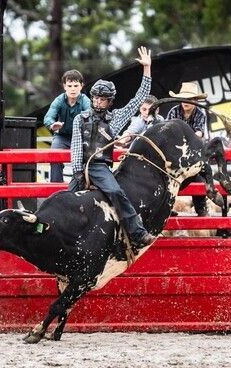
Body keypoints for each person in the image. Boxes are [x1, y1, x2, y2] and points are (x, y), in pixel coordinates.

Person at [69, 46, 156, 248]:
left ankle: (137, 232)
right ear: (92, 98)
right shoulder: (79, 119)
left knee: (116, 192)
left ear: (110, 101)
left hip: (99, 166)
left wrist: (147, 69)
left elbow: (137, 100)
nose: (99, 102)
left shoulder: (115, 119)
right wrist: (77, 172)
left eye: (103, 99)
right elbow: (75, 148)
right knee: (65, 200)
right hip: (81, 167)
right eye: (97, 98)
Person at [166, 82, 209, 216]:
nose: (186, 102)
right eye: (183, 98)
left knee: (200, 178)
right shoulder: (173, 112)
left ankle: (200, 208)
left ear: (195, 101)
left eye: (189, 99)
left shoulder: (200, 115)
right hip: (173, 154)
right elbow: (167, 133)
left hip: (192, 156)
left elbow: (199, 135)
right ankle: (166, 208)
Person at [44, 69, 91, 183]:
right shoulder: (59, 100)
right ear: (64, 86)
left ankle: (84, 187)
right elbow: (48, 117)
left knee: (89, 159)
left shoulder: (86, 100)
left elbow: (91, 115)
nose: (73, 89)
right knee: (54, 156)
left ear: (81, 86)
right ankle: (56, 191)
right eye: (69, 85)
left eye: (76, 85)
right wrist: (52, 125)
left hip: (81, 137)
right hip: (62, 137)